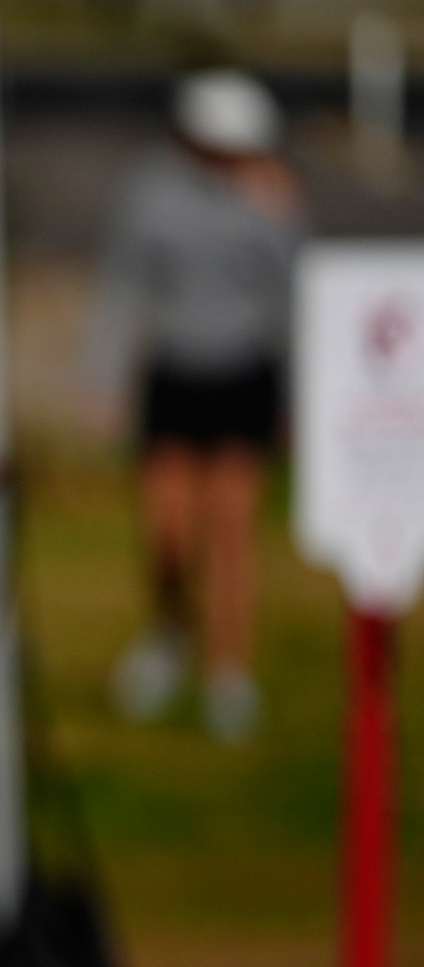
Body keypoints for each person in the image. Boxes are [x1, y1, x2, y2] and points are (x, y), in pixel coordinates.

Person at [88, 70, 300, 743]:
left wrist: (295, 395)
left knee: (232, 530)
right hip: (176, 372)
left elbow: (290, 299)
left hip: (245, 374)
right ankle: (169, 639)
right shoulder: (150, 193)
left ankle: (228, 674)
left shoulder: (272, 198)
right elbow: (124, 286)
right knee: (169, 532)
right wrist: (104, 374)